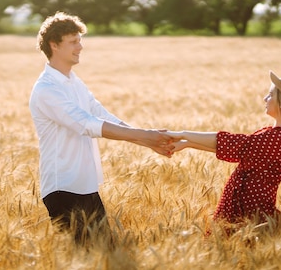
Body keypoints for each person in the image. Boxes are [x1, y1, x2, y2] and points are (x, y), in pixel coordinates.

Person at [29, 12, 175, 245]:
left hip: (86, 186)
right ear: (54, 45)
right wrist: (145, 136)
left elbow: (103, 116)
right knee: (85, 257)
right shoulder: (47, 90)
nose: (81, 46)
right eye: (73, 42)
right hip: (63, 189)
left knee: (104, 253)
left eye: (80, 40)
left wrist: (148, 140)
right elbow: (87, 124)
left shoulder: (74, 82)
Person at [166, 71, 281, 230]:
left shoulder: (280, 138)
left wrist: (184, 134)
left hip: (249, 215)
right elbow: (236, 150)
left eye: (270, 95)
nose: (265, 99)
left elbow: (236, 145)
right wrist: (187, 143)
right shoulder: (275, 134)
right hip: (240, 209)